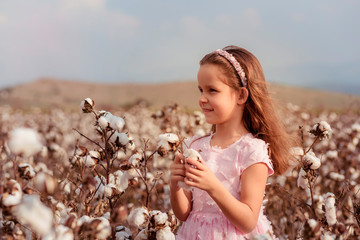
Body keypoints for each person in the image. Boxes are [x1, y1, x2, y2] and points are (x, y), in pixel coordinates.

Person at [170, 45, 293, 239]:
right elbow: (184, 214)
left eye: (212, 90)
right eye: (201, 90)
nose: (202, 99)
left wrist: (213, 186)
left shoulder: (252, 151)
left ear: (241, 95)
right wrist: (175, 184)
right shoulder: (195, 146)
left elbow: (248, 221)